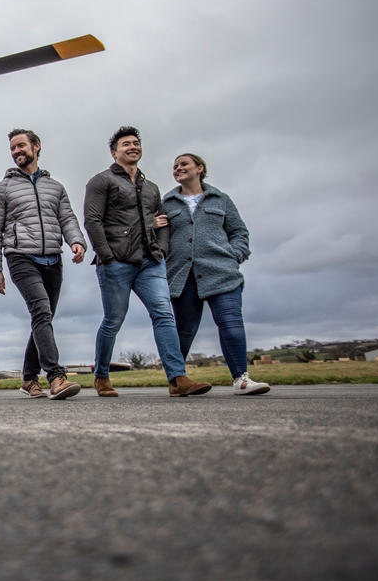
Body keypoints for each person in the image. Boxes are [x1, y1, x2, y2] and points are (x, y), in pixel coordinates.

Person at [83, 126, 211, 398]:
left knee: (163, 314)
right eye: (126, 144)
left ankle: (177, 379)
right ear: (114, 152)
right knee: (113, 320)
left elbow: (163, 221)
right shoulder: (101, 181)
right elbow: (92, 221)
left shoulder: (151, 187)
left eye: (136, 143)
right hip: (116, 261)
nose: (133, 147)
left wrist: (161, 250)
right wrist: (107, 256)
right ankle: (101, 376)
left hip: (150, 261)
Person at [0, 129, 87, 399]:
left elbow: (67, 218)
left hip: (53, 258)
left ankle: (29, 378)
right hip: (20, 256)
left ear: (36, 146)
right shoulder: (3, 188)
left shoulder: (56, 187)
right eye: (12, 148)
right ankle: (56, 376)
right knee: (41, 311)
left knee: (43, 317)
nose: (16, 151)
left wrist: (76, 241)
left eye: (21, 145)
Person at [162, 154, 269, 395]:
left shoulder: (221, 200)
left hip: (222, 273)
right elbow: (158, 238)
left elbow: (239, 232)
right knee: (185, 330)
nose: (178, 168)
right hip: (182, 276)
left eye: (184, 164)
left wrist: (233, 256)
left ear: (200, 168)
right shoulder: (166, 204)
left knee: (231, 322)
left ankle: (241, 379)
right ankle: (176, 381)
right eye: (175, 166)